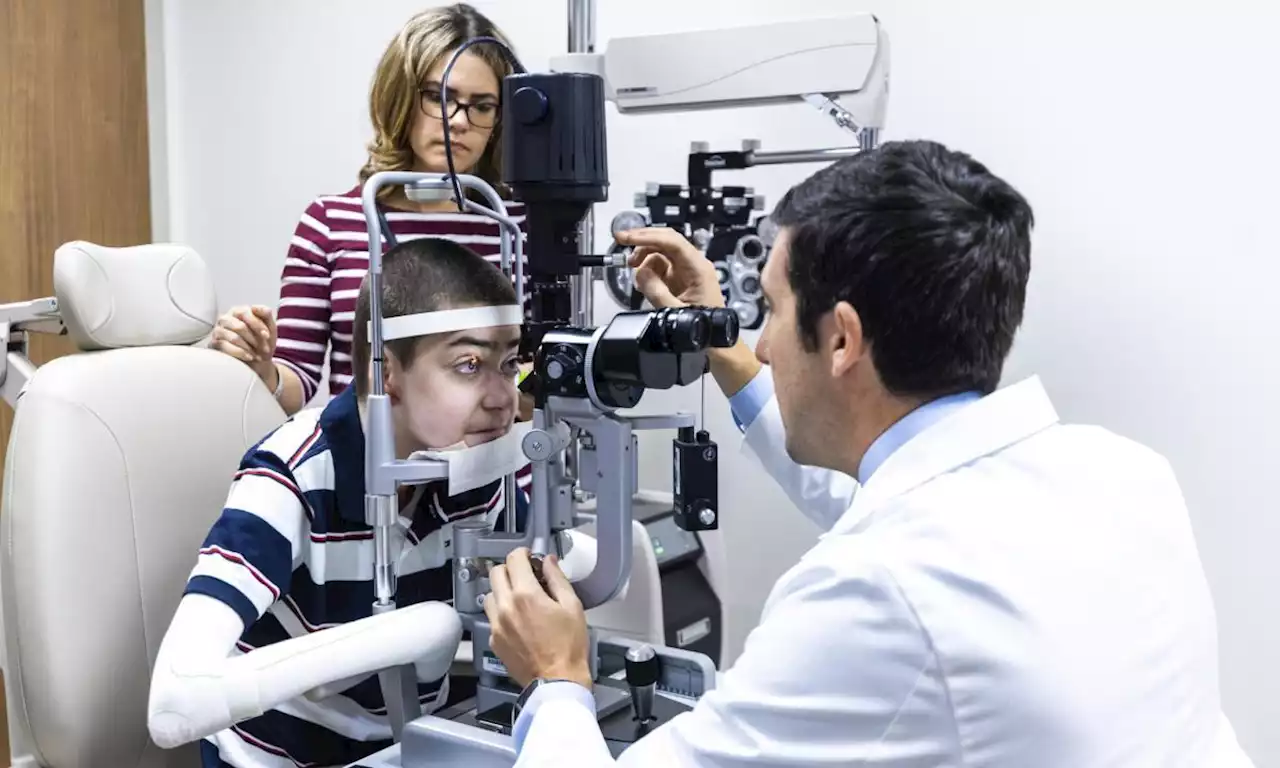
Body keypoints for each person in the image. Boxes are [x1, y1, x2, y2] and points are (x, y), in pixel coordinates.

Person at [481, 140, 1257, 766]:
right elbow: (888, 505)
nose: (762, 342)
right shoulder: (1116, 471)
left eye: (774, 310)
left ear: (843, 339)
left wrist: (557, 682)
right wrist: (718, 343)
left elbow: (897, 573)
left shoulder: (876, 595)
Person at [148, 238, 533, 767]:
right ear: (386, 374)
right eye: (469, 365)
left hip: (404, 748)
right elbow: (174, 698)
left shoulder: (471, 463)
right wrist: (416, 632)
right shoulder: (290, 479)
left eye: (509, 364)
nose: (501, 397)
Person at [208, 3, 526, 417]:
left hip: (493, 475)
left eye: (482, 105)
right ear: (400, 98)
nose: (458, 121)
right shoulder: (330, 224)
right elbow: (296, 383)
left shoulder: (514, 227)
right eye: (437, 97)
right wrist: (258, 364)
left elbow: (537, 375)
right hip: (372, 473)